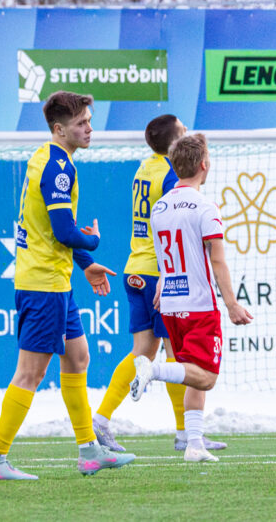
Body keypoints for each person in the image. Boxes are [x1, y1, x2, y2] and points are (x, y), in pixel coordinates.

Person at [0, 91, 135, 480]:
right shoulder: (58, 167)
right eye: (82, 123)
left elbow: (51, 229)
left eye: (89, 120)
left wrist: (86, 265)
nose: (90, 128)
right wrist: (93, 243)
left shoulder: (47, 158)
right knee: (29, 374)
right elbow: (65, 231)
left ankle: (89, 451)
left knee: (78, 357)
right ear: (59, 129)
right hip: (43, 284)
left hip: (55, 281)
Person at [92, 115, 228, 453]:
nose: (188, 134)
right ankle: (185, 432)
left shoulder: (144, 168)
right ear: (175, 143)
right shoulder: (171, 175)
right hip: (159, 273)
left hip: (134, 268)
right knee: (175, 356)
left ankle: (103, 419)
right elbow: (176, 221)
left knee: (142, 351)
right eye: (183, 132)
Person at [129, 133, 253, 463]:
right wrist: (232, 304)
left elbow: (162, 253)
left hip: (170, 303)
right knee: (206, 377)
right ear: (204, 165)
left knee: (192, 374)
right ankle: (154, 370)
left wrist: (162, 283)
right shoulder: (205, 208)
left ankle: (194, 443)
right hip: (198, 305)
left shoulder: (160, 207)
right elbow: (218, 261)